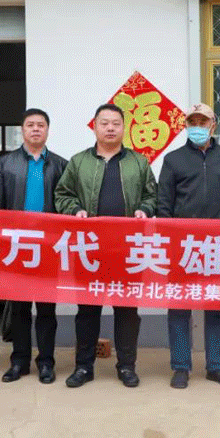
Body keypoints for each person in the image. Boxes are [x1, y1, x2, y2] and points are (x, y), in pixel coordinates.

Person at [54, 103, 157, 388]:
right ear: (95, 126)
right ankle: (83, 367)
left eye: (116, 123)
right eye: (104, 123)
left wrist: (145, 210)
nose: (110, 128)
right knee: (87, 311)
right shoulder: (79, 162)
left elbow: (152, 195)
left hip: (128, 249)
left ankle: (127, 366)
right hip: (89, 249)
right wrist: (74, 209)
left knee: (127, 311)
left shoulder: (139, 162)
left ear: (124, 128)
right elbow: (62, 194)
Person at [158, 104, 220, 389]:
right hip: (182, 246)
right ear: (186, 126)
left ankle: (216, 366)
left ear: (213, 125)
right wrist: (169, 240)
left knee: (217, 306)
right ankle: (181, 366)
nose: (197, 126)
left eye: (202, 121)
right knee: (179, 307)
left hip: (218, 245)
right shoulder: (173, 160)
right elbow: (164, 204)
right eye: (192, 122)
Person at [0, 108, 67, 384]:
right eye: (30, 125)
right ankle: (19, 361)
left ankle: (46, 362)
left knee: (46, 310)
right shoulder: (6, 164)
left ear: (47, 130)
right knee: (19, 309)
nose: (35, 129)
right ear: (22, 130)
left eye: (40, 125)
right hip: (16, 246)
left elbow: (66, 205)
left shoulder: (60, 165)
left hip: (48, 247)